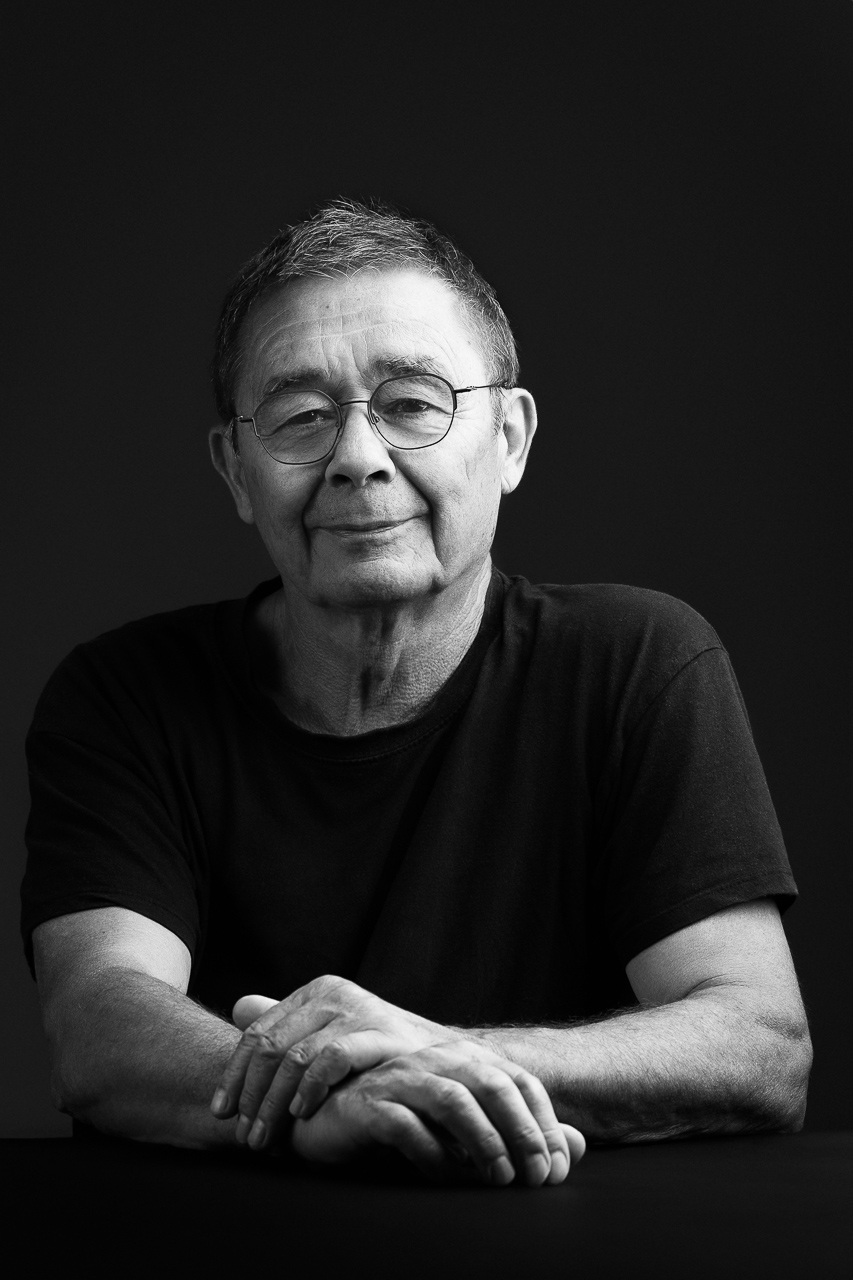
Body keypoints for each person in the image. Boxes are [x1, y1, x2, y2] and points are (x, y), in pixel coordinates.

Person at [21, 199, 812, 1189]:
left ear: (510, 438)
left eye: (412, 400)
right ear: (236, 468)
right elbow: (100, 1027)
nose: (356, 456)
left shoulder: (640, 660)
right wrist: (326, 1089)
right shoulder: (125, 696)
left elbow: (757, 1041)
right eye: (301, 415)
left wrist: (422, 1057)